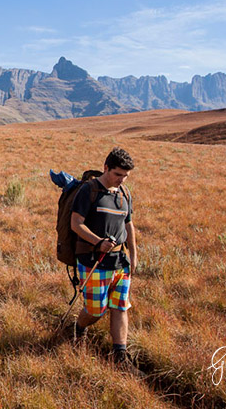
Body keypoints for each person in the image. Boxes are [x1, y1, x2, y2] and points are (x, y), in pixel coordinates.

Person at [70, 147, 138, 364]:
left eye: (125, 176)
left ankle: (120, 356)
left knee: (120, 306)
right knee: (95, 311)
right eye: (117, 174)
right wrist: (98, 242)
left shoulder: (125, 193)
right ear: (106, 167)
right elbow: (76, 224)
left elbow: (129, 225)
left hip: (120, 262)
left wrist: (133, 255)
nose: (121, 180)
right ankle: (80, 327)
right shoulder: (88, 191)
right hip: (94, 262)